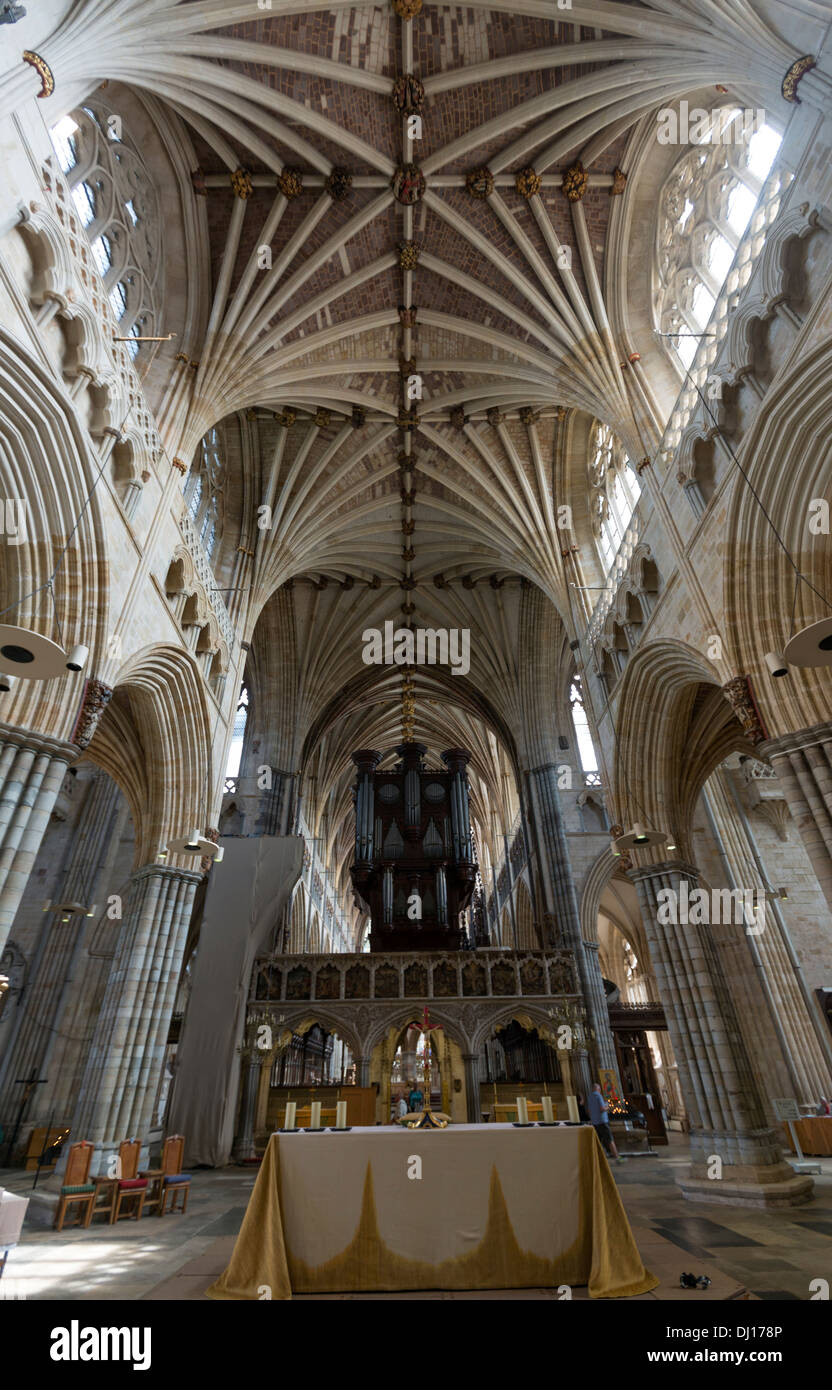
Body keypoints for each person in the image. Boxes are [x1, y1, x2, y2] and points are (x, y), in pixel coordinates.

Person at [587, 1082, 622, 1162]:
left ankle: (598, 1159)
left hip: (595, 1122)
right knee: (609, 1139)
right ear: (598, 1089)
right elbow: (602, 1109)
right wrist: (609, 1107)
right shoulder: (598, 1096)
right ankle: (617, 1157)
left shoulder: (589, 1097)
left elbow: (589, 1111)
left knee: (598, 1141)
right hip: (602, 1121)